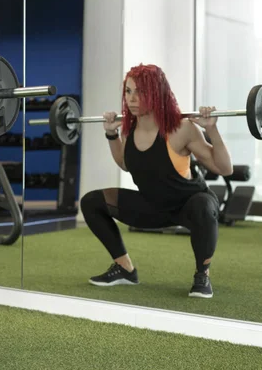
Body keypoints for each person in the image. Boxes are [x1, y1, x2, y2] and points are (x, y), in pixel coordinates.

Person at [80, 64, 233, 299]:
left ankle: (202, 275)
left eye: (140, 92)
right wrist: (111, 134)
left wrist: (212, 130)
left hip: (189, 206)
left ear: (157, 93)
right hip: (152, 206)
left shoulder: (182, 128)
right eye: (128, 92)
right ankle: (125, 269)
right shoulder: (129, 130)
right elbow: (126, 163)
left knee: (203, 205)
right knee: (92, 202)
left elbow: (224, 168)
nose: (132, 99)